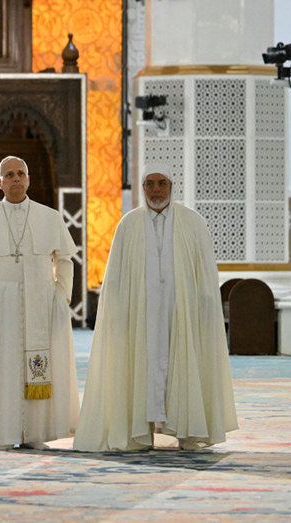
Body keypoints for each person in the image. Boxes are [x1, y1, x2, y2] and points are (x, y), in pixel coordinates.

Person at [74, 164, 237, 452]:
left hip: (182, 313)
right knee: (139, 367)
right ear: (143, 187)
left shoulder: (192, 222)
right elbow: (115, 279)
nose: (156, 190)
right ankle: (138, 433)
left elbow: (206, 276)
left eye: (161, 183)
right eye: (149, 184)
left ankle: (187, 433)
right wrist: (117, 315)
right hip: (141, 316)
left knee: (184, 363)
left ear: (172, 187)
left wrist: (204, 310)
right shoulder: (129, 224)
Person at [0, 156, 79, 450]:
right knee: (3, 366)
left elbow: (65, 260)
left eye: (21, 174)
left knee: (38, 366)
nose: (16, 179)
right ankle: (3, 434)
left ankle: (35, 434)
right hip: (1, 304)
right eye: (9, 175)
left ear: (28, 179)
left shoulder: (50, 217)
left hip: (42, 300)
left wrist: (61, 296)